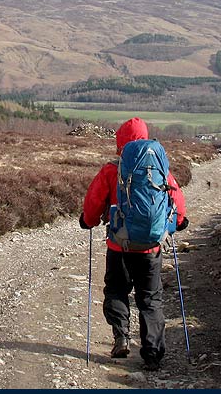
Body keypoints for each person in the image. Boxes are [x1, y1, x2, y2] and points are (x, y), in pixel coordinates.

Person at [79, 117, 188, 371]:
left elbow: (94, 204)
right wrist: (179, 222)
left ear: (120, 142)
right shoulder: (159, 168)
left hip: (119, 246)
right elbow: (175, 198)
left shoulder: (111, 169)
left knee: (116, 289)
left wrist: (88, 220)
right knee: (150, 299)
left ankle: (121, 337)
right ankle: (152, 353)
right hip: (151, 248)